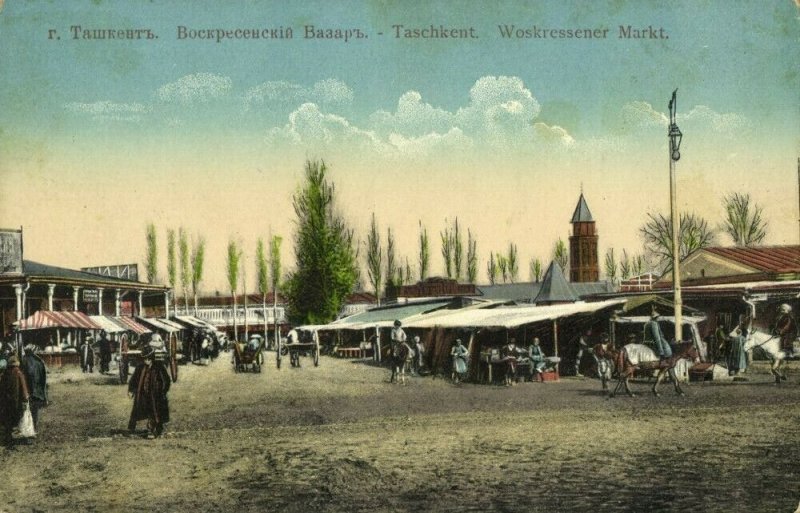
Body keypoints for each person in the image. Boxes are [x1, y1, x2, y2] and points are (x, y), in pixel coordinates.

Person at [127, 346, 171, 439]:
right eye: (144, 359)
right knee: (137, 410)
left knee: (156, 412)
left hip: (155, 395)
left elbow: (166, 380)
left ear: (151, 359)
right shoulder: (140, 367)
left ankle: (157, 429)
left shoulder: (159, 367)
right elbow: (134, 379)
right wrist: (131, 390)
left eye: (148, 359)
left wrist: (163, 391)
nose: (146, 361)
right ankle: (131, 428)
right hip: (142, 393)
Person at [0, 354, 30, 449]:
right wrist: (26, 399)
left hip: (5, 402)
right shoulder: (19, 373)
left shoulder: (4, 374)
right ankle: (11, 440)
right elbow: (24, 388)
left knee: (7, 421)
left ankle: (7, 438)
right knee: (16, 420)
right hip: (16, 402)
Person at [21, 345, 47, 435]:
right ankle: (34, 429)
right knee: (34, 412)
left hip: (29, 391)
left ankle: (29, 430)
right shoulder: (39, 361)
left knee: (27, 412)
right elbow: (43, 379)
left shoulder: (23, 361)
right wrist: (44, 394)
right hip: (37, 391)